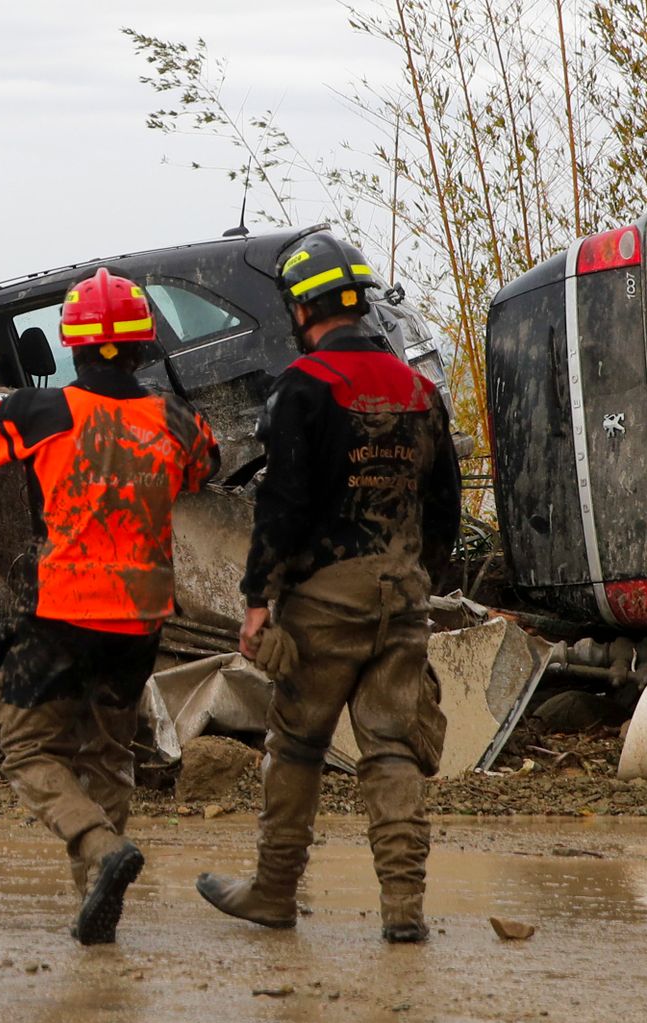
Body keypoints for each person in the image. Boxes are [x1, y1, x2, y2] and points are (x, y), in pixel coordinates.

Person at [0, 268, 217, 945]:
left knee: (26, 745)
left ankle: (98, 848)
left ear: (72, 348)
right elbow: (205, 467)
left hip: (67, 610)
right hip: (141, 618)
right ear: (143, 349)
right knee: (109, 753)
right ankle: (94, 901)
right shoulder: (177, 420)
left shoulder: (41, 412)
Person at [195, 232, 462, 944]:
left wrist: (259, 601)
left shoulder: (302, 389)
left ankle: (275, 894)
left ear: (302, 307)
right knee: (392, 751)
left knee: (298, 745)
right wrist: (414, 578)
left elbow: (281, 505)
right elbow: (445, 513)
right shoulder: (422, 392)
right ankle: (404, 910)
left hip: (323, 604)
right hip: (403, 597)